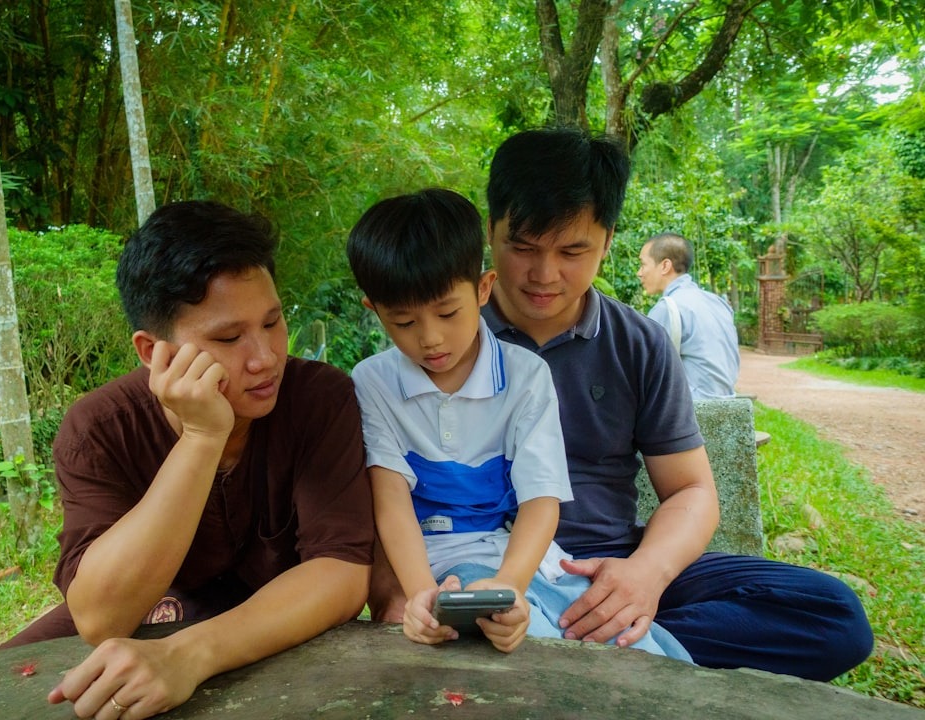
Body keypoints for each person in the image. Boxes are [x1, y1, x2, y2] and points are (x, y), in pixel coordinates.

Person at [370, 127, 872, 683]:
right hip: (483, 568)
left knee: (831, 615)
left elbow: (692, 490)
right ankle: (609, 653)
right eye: (524, 247)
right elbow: (388, 492)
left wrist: (645, 576)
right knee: (477, 609)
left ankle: (595, 644)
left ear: (608, 241)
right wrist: (398, 590)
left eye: (572, 251)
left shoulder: (638, 344)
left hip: (611, 560)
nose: (544, 274)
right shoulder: (436, 333)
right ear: (491, 233)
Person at [3, 200, 375, 719]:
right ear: (152, 352)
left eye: (272, 322)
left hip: (272, 615)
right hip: (149, 613)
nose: (265, 357)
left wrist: (188, 655)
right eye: (229, 338)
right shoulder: (100, 428)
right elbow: (101, 618)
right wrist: (202, 436)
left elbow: (341, 573)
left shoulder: (318, 399)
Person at [346, 188, 689, 660]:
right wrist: (422, 594)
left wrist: (510, 583)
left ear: (482, 289)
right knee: (521, 643)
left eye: (447, 313)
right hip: (444, 571)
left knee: (649, 648)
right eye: (403, 322)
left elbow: (540, 499)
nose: (430, 339)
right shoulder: (373, 382)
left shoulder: (526, 375)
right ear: (375, 310)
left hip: (531, 565)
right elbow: (390, 502)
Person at [636, 232, 740, 399]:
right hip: (728, 404)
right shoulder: (717, 302)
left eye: (643, 264)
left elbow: (645, 371)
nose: (639, 273)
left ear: (665, 266)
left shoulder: (669, 307)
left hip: (691, 408)